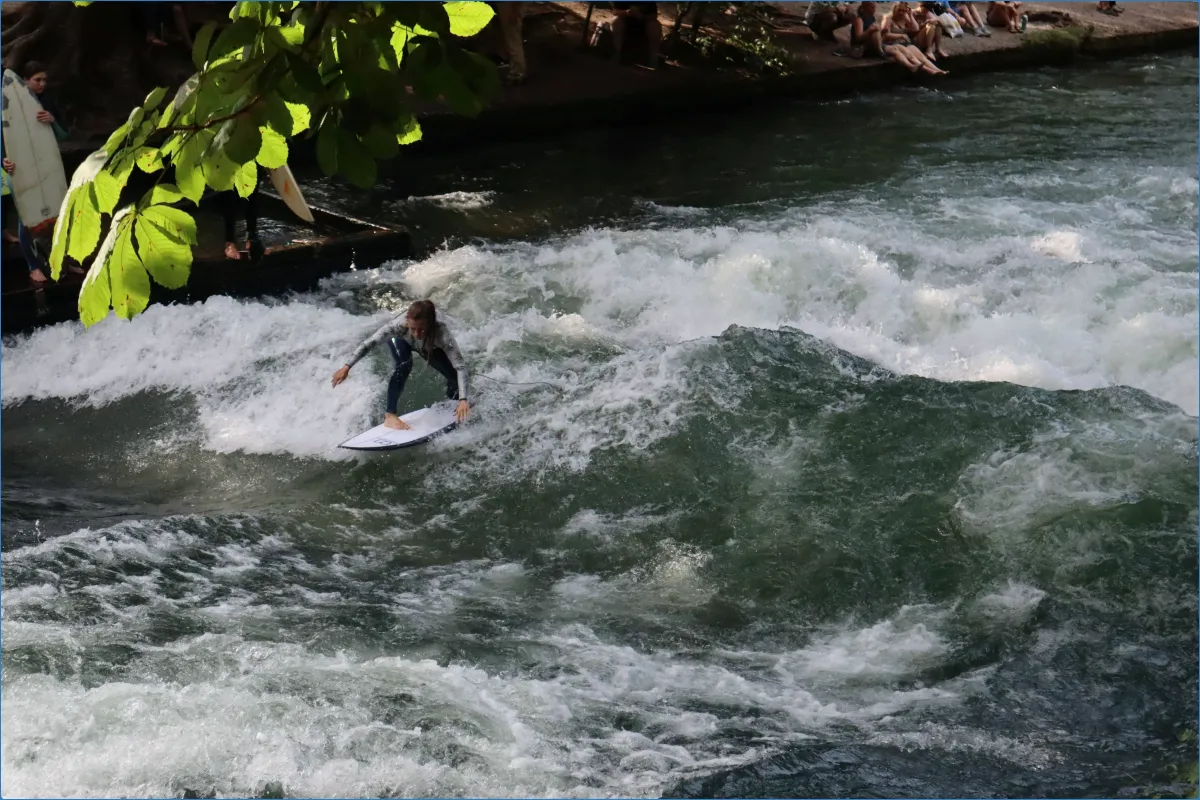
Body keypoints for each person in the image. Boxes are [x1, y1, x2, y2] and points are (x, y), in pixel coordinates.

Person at [331, 300, 471, 430]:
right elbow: (369, 344)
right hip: (401, 340)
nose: (417, 334)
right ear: (407, 323)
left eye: (421, 329)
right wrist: (346, 366)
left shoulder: (442, 332)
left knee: (453, 376)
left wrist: (463, 399)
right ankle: (390, 415)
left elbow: (460, 366)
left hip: (430, 344)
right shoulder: (398, 326)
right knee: (403, 365)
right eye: (413, 329)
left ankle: (456, 402)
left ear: (430, 324)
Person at [611, 2, 662, 69]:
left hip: (643, 25)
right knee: (616, 21)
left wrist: (641, 15)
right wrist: (626, 12)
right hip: (625, 23)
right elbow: (615, 12)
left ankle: (654, 61)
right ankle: (616, 54)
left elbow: (654, 15)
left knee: (655, 26)